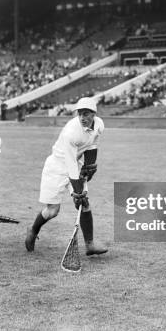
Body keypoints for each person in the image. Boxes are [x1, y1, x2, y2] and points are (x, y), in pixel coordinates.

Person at [25, 97, 107, 256]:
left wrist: (89, 167)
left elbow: (92, 145)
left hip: (75, 164)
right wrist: (77, 190)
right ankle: (33, 229)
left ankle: (90, 244)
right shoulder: (72, 132)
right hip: (57, 166)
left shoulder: (99, 125)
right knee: (53, 210)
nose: (82, 118)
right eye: (80, 114)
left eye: (86, 114)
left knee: (84, 203)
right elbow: (69, 164)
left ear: (94, 114)